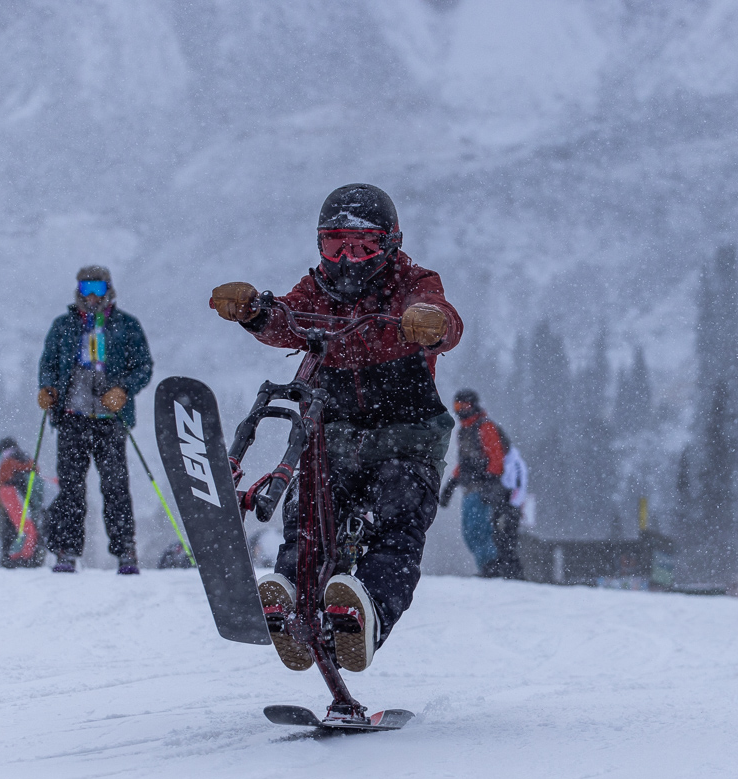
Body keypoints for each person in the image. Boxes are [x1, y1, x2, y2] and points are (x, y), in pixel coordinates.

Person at [209, 183, 463, 672]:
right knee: (309, 509)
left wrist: (431, 323)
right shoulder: (317, 289)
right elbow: (286, 318)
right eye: (335, 245)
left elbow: (442, 316)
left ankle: (362, 612)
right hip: (336, 432)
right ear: (319, 245)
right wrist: (255, 313)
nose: (348, 260)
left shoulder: (412, 282)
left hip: (406, 435)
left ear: (390, 245)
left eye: (364, 246)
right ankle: (287, 596)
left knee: (397, 519)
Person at [36, 266, 152, 574]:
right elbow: (48, 363)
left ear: (109, 290)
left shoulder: (126, 326)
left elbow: (143, 367)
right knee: (71, 487)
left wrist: (123, 390)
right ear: (77, 289)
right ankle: (66, 550)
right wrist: (46, 389)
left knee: (115, 486)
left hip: (110, 419)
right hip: (71, 417)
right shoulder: (63, 326)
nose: (91, 295)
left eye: (98, 289)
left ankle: (125, 550)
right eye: (86, 287)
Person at [439, 389, 523, 579]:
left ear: (474, 405)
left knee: (480, 528)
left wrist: (489, 483)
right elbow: (464, 463)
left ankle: (492, 565)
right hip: (470, 488)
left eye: (464, 406)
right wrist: (450, 486)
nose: (461, 410)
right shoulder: (464, 431)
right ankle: (486, 565)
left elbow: (496, 458)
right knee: (469, 530)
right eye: (457, 406)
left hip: (484, 488)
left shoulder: (484, 427)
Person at [0, 437, 44, 568]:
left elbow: (3, 484)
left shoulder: (7, 464)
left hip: (11, 504)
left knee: (9, 530)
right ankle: (31, 556)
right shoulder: (28, 461)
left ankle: (11, 556)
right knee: (31, 527)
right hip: (30, 504)